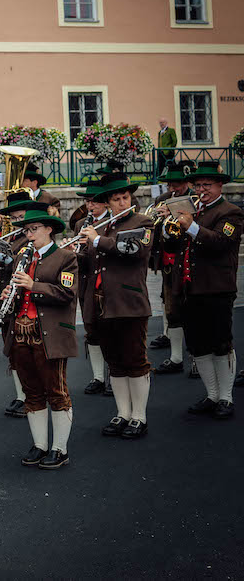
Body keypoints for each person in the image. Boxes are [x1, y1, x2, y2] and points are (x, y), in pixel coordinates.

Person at [77, 172, 154, 440]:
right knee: (115, 362)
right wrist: (77, 250)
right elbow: (88, 264)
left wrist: (96, 240)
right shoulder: (104, 225)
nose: (122, 202)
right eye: (116, 199)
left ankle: (139, 416)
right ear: (108, 202)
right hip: (101, 303)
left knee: (135, 359)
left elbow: (135, 250)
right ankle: (123, 413)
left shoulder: (143, 221)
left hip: (129, 302)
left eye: (125, 197)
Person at [0, 207, 78, 469]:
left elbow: (67, 293)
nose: (29, 235)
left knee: (56, 391)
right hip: (21, 331)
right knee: (31, 392)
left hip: (49, 334)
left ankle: (60, 448)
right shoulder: (23, 256)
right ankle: (40, 444)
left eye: (34, 229)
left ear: (49, 229)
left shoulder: (65, 258)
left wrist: (33, 286)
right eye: (26, 230)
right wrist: (9, 295)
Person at [164, 162, 243, 419]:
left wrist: (191, 226)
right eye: (198, 185)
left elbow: (221, 242)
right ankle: (211, 394)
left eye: (206, 185)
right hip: (189, 288)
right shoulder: (190, 210)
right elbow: (176, 247)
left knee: (220, 343)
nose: (201, 189)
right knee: (198, 346)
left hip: (216, 288)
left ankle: (226, 398)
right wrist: (169, 228)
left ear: (220, 185)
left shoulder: (230, 212)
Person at [0, 191, 39, 417]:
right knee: (12, 350)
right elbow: (2, 266)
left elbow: (12, 263)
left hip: (23, 301)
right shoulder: (12, 236)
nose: (19, 221)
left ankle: (30, 396)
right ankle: (22, 395)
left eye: (22, 217)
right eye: (15, 217)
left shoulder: (29, 239)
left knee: (23, 351)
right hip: (7, 299)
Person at [150, 161, 195, 373]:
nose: (173, 189)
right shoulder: (161, 200)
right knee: (172, 309)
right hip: (169, 263)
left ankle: (197, 358)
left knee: (194, 310)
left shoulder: (194, 200)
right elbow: (153, 228)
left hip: (191, 262)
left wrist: (176, 212)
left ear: (186, 183)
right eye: (170, 185)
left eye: (177, 185)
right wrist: (158, 218)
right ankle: (176, 358)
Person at [69, 182, 110, 396]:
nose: (90, 205)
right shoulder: (80, 225)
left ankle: (114, 374)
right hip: (86, 283)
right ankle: (98, 376)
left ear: (105, 202)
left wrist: (94, 241)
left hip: (106, 284)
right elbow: (80, 261)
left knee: (110, 331)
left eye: (93, 201)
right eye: (87, 201)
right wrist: (73, 252)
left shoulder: (112, 223)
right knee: (91, 330)